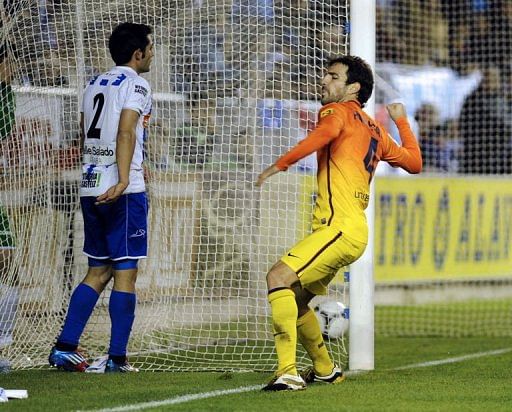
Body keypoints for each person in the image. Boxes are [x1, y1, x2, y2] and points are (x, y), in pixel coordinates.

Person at [256, 55, 422, 391]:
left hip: (339, 227)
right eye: (325, 75)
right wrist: (401, 122)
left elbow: (326, 132)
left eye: (333, 77)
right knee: (298, 300)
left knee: (277, 276)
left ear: (353, 88)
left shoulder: (337, 112)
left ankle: (287, 371)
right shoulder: (375, 129)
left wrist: (282, 163)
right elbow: (415, 162)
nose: (324, 81)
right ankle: (325, 368)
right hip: (351, 230)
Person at [48, 22, 154, 373]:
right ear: (137, 54)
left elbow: (84, 133)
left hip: (91, 183)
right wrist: (124, 179)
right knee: (125, 271)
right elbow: (125, 131)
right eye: (149, 48)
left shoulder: (93, 83)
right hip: (122, 191)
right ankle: (117, 359)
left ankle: (64, 347)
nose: (152, 53)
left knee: (98, 269)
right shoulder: (138, 85)